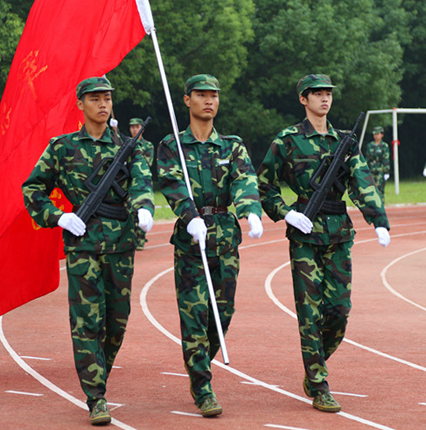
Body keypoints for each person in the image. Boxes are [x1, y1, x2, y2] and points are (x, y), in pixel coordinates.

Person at [22, 77, 154, 426]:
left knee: (117, 323)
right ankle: (96, 397)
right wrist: (58, 217)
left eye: (107, 98)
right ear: (80, 104)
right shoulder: (62, 148)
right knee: (87, 323)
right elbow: (33, 188)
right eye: (95, 99)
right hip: (82, 246)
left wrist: (144, 206)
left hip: (120, 246)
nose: (103, 104)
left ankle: (99, 377)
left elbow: (141, 181)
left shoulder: (129, 146)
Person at [257, 74, 390, 414]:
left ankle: (316, 361)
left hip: (338, 234)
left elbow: (362, 182)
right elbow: (263, 185)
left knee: (339, 311)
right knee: (309, 313)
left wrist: (378, 219)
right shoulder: (287, 140)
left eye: (328, 93)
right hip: (305, 235)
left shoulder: (345, 141)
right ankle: (318, 383)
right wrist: (286, 213)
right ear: (304, 99)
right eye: (317, 94)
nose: (324, 99)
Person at [156, 74, 263, 418]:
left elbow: (244, 180)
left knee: (222, 315)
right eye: (201, 95)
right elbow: (172, 182)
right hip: (192, 241)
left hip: (225, 240)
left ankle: (200, 363)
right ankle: (202, 386)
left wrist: (251, 211)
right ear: (187, 100)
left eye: (213, 95)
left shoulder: (232, 146)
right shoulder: (172, 145)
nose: (208, 101)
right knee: (195, 316)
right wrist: (190, 217)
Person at [128, 117, 155, 249]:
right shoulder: (126, 143)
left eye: (137, 127)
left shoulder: (148, 146)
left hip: (142, 181)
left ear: (142, 129)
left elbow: (148, 163)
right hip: (129, 181)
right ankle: (132, 238)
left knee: (142, 209)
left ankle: (140, 239)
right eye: (132, 127)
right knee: (130, 211)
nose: (134, 129)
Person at [365, 126, 391, 204]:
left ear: (381, 135)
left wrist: (386, 172)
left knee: (380, 189)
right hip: (371, 169)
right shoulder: (370, 145)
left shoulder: (384, 146)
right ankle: (372, 205)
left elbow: (385, 159)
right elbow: (367, 159)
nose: (376, 136)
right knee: (370, 189)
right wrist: (365, 169)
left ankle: (380, 205)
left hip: (380, 170)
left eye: (377, 134)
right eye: (374, 134)